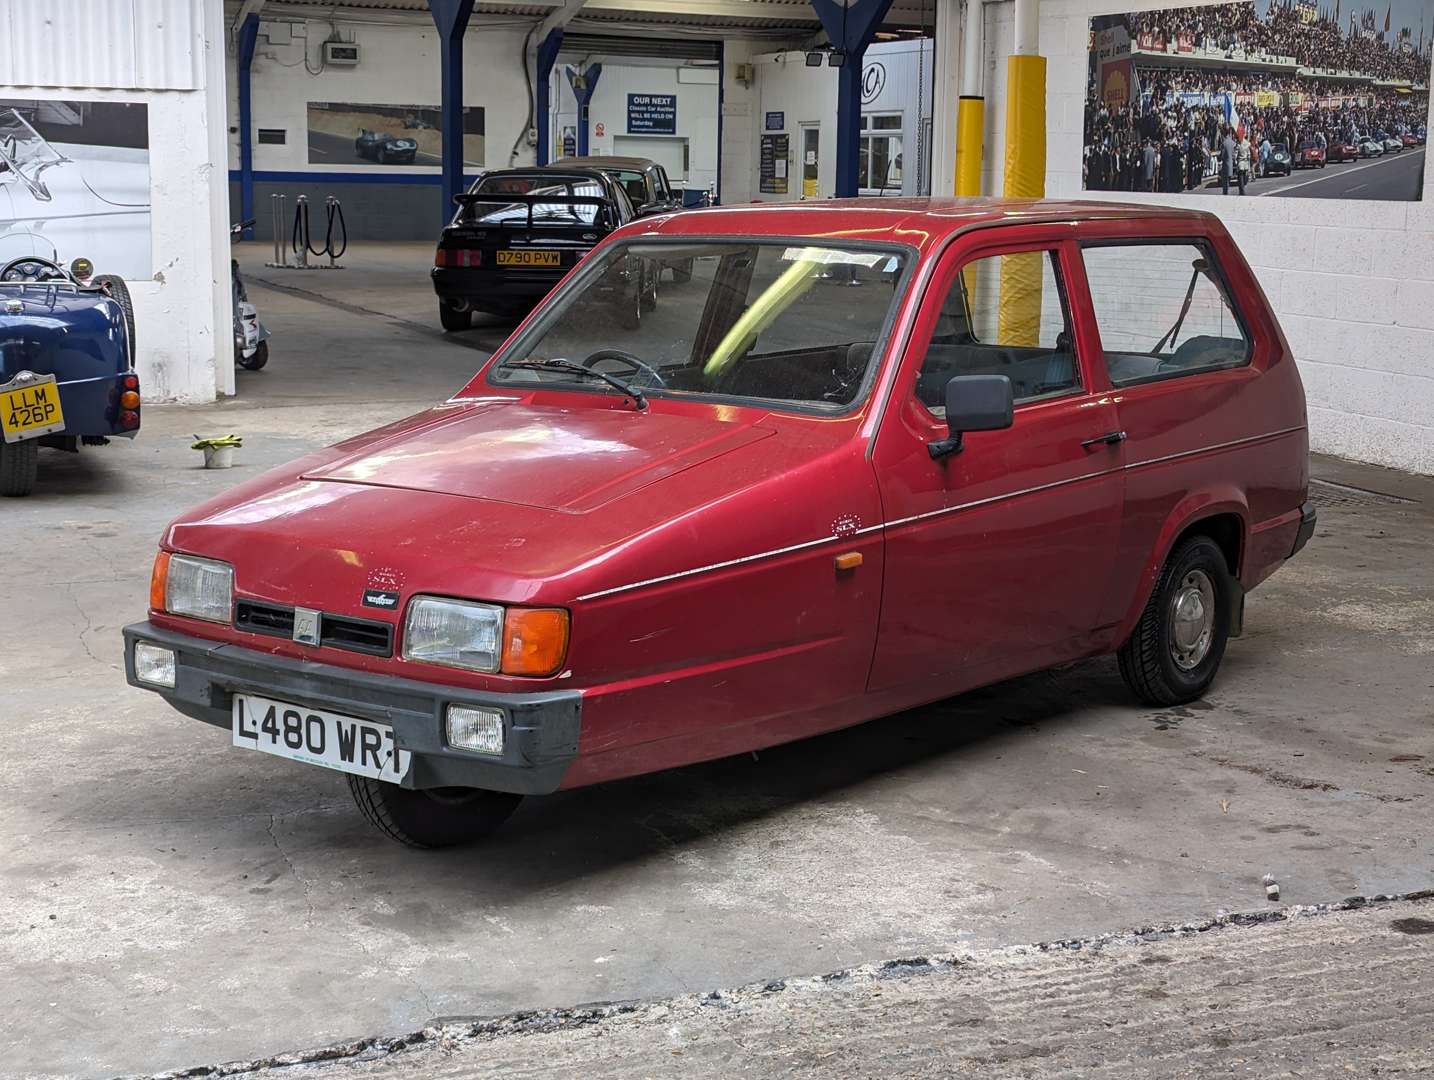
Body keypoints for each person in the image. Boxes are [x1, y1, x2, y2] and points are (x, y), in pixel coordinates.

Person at [1220, 127, 1235, 195]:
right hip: (1231, 164)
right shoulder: (1232, 142)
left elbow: (1222, 155)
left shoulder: (1224, 143)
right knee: (1228, 182)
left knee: (1225, 183)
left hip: (1225, 165)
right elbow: (1233, 154)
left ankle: (1226, 194)